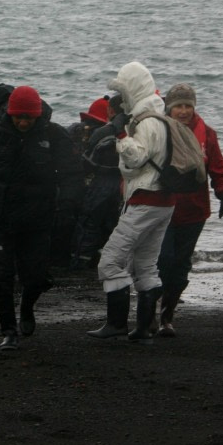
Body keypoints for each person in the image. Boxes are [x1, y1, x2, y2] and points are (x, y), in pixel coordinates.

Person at [0, 86, 82, 351]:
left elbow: (72, 173)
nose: (24, 122)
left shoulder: (54, 135)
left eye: (29, 118)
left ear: (38, 115)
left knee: (37, 276)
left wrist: (67, 206)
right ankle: (9, 330)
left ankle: (27, 308)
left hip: (39, 217)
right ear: (10, 114)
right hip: (0, 216)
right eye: (19, 117)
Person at [86, 61, 174, 345]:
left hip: (145, 200)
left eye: (123, 93)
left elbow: (136, 159)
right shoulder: (160, 117)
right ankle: (144, 327)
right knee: (146, 265)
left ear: (132, 89)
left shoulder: (147, 122)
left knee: (110, 261)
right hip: (164, 202)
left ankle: (116, 324)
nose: (121, 100)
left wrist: (120, 135)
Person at [157, 83, 223, 337]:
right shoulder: (157, 130)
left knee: (180, 266)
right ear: (168, 108)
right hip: (160, 208)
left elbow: (218, 168)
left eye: (188, 106)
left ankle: (167, 316)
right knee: (162, 262)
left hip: (193, 212)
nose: (183, 111)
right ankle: (148, 312)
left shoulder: (207, 134)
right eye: (178, 106)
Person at [67, 95, 123, 270]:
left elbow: (86, 164)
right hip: (122, 184)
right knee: (112, 226)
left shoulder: (96, 134)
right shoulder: (128, 130)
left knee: (88, 224)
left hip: (100, 184)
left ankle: (79, 263)